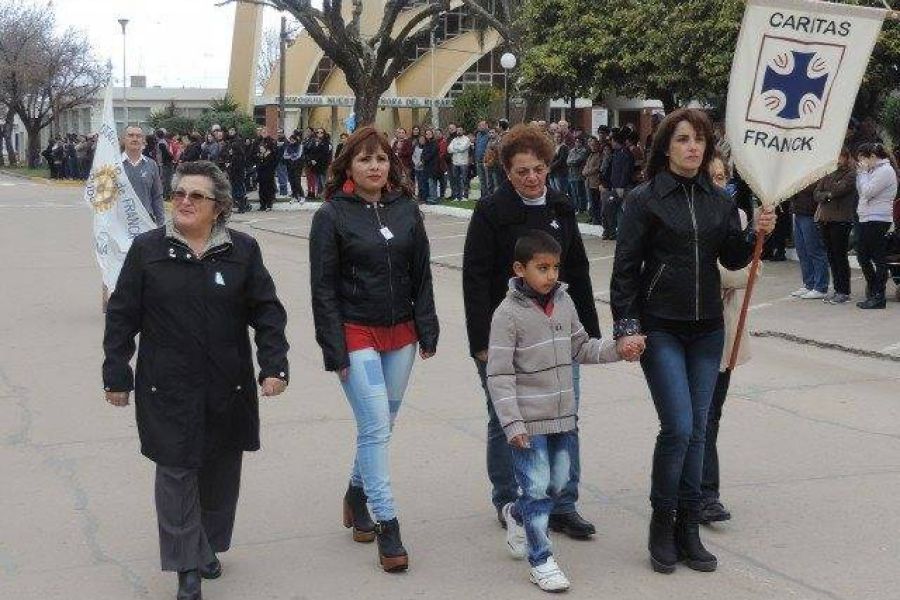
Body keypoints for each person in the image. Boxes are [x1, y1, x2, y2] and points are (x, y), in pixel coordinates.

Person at [102, 160, 289, 600]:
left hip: (228, 385)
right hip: (165, 386)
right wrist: (116, 371)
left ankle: (207, 544)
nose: (184, 201)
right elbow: (123, 315)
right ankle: (186, 565)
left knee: (220, 471)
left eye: (196, 196)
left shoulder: (241, 249)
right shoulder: (148, 249)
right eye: (179, 194)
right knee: (176, 471)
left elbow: (267, 311)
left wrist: (274, 365)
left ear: (219, 207)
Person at [610, 108, 776, 574]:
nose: (693, 147)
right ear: (666, 146)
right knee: (679, 427)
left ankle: (689, 529)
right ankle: (662, 526)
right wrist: (627, 327)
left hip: (707, 329)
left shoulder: (719, 199)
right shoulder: (644, 200)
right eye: (683, 139)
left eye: (699, 139)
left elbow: (734, 255)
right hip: (660, 326)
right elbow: (625, 269)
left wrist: (756, 230)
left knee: (700, 431)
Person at [309, 126, 439, 573]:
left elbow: (421, 273)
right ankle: (388, 523)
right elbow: (322, 288)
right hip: (355, 332)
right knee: (376, 428)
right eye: (364, 159)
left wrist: (427, 326)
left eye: (381, 159)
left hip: (401, 333)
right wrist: (334, 349)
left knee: (381, 425)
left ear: (391, 164)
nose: (374, 167)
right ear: (348, 165)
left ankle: (354, 493)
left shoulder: (406, 210)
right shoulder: (331, 215)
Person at [463, 124, 601, 539]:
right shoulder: (490, 212)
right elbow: (475, 277)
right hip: (505, 337)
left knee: (565, 418)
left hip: (558, 334)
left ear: (548, 167)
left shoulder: (560, 207)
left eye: (538, 168)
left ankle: (563, 503)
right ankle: (510, 499)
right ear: (507, 172)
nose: (531, 177)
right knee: (504, 418)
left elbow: (577, 270)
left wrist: (590, 333)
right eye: (521, 171)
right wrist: (481, 343)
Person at [488, 230, 633, 592]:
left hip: (563, 418)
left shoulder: (565, 302)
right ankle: (541, 560)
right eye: (542, 268)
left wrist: (619, 349)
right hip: (527, 425)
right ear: (520, 269)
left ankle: (516, 515)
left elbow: (581, 348)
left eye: (555, 267)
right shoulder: (507, 315)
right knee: (536, 489)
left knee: (555, 488)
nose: (551, 275)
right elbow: (500, 374)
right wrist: (512, 423)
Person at [700, 153, 756, 524]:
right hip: (692, 328)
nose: (720, 184)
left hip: (726, 331)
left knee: (712, 414)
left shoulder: (738, 219)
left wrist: (716, 275)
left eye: (723, 177)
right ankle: (696, 491)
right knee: (693, 417)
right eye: (712, 177)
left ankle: (707, 493)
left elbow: (747, 274)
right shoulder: (690, 216)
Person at [855, 143, 897, 309]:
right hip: (867, 217)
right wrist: (862, 173)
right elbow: (861, 191)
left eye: (863, 159)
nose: (862, 163)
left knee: (878, 257)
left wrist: (863, 173)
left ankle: (879, 295)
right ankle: (873, 290)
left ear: (872, 156)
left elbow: (868, 192)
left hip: (878, 218)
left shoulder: (885, 171)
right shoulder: (872, 171)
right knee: (862, 256)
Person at [814, 147, 857, 305]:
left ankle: (844, 291)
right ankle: (837, 289)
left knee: (840, 256)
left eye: (839, 156)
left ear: (846, 157)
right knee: (831, 256)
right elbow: (817, 193)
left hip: (841, 219)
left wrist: (828, 192)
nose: (836, 160)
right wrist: (828, 195)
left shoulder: (851, 174)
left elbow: (839, 189)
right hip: (826, 219)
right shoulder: (829, 172)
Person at [788, 182, 830, 299]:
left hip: (810, 213)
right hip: (798, 211)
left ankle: (820, 287)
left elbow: (814, 190)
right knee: (802, 251)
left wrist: (796, 185)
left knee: (814, 250)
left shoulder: (814, 173)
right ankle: (809, 283)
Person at [122, 126, 165, 226]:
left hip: (145, 221)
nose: (135, 139)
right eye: (130, 135)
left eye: (138, 136)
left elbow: (157, 196)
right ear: (124, 139)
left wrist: (160, 223)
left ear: (143, 140)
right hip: (120, 223)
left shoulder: (151, 165)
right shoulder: (114, 165)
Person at [583, 136, 604, 225]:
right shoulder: (591, 155)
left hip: (595, 181)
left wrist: (587, 172)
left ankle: (597, 218)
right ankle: (592, 216)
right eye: (591, 145)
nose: (592, 147)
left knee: (596, 201)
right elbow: (586, 165)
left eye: (594, 145)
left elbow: (597, 168)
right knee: (591, 201)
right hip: (588, 181)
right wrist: (584, 171)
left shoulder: (600, 155)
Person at [566, 135, 589, 213]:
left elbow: (578, 160)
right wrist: (572, 161)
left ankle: (582, 208)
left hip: (579, 174)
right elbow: (568, 161)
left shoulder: (583, 151)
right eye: (576, 141)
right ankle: (575, 207)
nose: (577, 143)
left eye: (579, 141)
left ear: (582, 142)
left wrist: (571, 161)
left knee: (580, 193)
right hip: (571, 174)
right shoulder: (572, 150)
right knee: (573, 193)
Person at [448, 126, 472, 202]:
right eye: (458, 130)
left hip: (463, 162)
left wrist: (455, 149)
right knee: (456, 179)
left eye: (460, 130)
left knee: (464, 179)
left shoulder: (466, 139)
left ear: (463, 131)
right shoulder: (454, 140)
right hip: (455, 162)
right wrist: (456, 149)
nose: (459, 132)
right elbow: (449, 149)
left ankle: (465, 196)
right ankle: (457, 196)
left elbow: (463, 148)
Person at [256, 134, 279, 211]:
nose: (260, 150)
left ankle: (269, 204)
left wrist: (262, 162)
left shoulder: (270, 155)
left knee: (268, 190)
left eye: (262, 148)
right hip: (261, 176)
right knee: (261, 191)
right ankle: (262, 205)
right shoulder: (260, 156)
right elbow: (258, 165)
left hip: (268, 175)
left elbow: (269, 165)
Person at [474, 120, 492, 198]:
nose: (480, 127)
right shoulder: (478, 135)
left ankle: (488, 196)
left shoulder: (489, 135)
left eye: (482, 125)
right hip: (478, 160)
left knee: (488, 180)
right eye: (479, 125)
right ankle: (483, 195)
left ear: (486, 126)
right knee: (481, 180)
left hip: (486, 161)